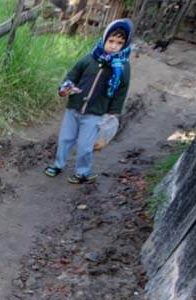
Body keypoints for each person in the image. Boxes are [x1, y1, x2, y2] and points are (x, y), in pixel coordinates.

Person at [44, 18, 134, 184]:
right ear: (104, 39)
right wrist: (67, 86)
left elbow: (121, 90)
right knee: (65, 139)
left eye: (119, 43)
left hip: (95, 113)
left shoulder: (122, 67)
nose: (114, 46)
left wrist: (112, 112)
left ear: (125, 45)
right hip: (74, 107)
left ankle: (82, 172)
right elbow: (73, 74)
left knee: (85, 146)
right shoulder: (90, 58)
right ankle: (58, 164)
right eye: (111, 41)